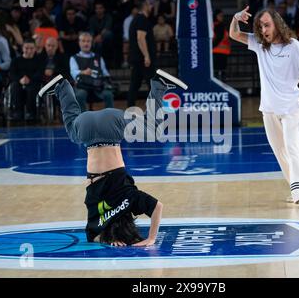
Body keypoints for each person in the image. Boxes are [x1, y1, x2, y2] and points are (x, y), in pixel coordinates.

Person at [37, 69, 188, 246]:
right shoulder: (96, 210)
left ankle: (159, 84)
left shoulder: (130, 197)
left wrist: (151, 238)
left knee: (152, 128)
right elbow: (92, 235)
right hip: (86, 128)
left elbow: (158, 207)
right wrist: (107, 239)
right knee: (72, 128)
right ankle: (62, 87)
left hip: (112, 124)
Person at [229, 6, 299, 208]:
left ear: (277, 24)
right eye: (260, 26)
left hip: (290, 108)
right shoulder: (258, 44)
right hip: (268, 110)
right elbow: (234, 33)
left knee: (294, 147)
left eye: (267, 24)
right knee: (281, 152)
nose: (263, 29)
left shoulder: (294, 46)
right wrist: (235, 17)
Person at [70, 32, 114, 112]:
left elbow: (105, 73)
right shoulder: (74, 58)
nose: (86, 43)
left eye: (88, 41)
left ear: (91, 43)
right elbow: (73, 72)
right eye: (83, 41)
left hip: (98, 86)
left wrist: (108, 80)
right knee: (79, 95)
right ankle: (83, 118)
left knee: (108, 94)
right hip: (82, 86)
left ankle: (110, 117)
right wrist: (83, 72)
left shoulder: (98, 58)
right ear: (79, 43)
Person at [128, 0, 156, 107]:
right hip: (142, 59)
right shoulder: (142, 19)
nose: (152, 7)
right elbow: (140, 38)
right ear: (145, 5)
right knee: (152, 84)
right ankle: (155, 109)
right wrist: (147, 56)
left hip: (138, 59)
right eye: (150, 4)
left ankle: (130, 108)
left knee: (135, 85)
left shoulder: (136, 19)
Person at [8, 39, 43, 121]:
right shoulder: (15, 60)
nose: (29, 51)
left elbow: (40, 73)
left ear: (35, 49)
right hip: (19, 82)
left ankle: (31, 113)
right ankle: (17, 112)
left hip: (33, 82)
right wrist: (20, 80)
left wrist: (29, 79)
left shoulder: (39, 60)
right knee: (14, 87)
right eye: (26, 48)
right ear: (22, 49)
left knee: (33, 89)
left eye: (31, 48)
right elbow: (12, 74)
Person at [212, 9, 231, 81]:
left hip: (220, 51)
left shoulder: (215, 25)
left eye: (222, 16)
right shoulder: (219, 25)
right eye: (220, 16)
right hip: (218, 51)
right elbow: (219, 38)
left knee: (218, 71)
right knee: (220, 71)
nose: (222, 17)